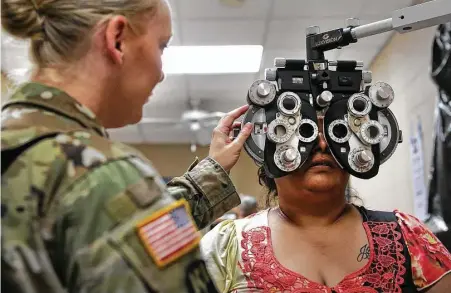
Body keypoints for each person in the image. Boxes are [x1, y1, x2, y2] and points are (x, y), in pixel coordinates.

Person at [1, 0, 253, 292]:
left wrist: (211, 174)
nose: (160, 73)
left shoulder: (27, 150)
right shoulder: (103, 173)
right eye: (161, 46)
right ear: (117, 38)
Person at [200, 116, 451, 293]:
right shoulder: (226, 245)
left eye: (335, 132)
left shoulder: (406, 235)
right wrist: (209, 176)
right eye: (302, 134)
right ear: (266, 155)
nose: (321, 144)